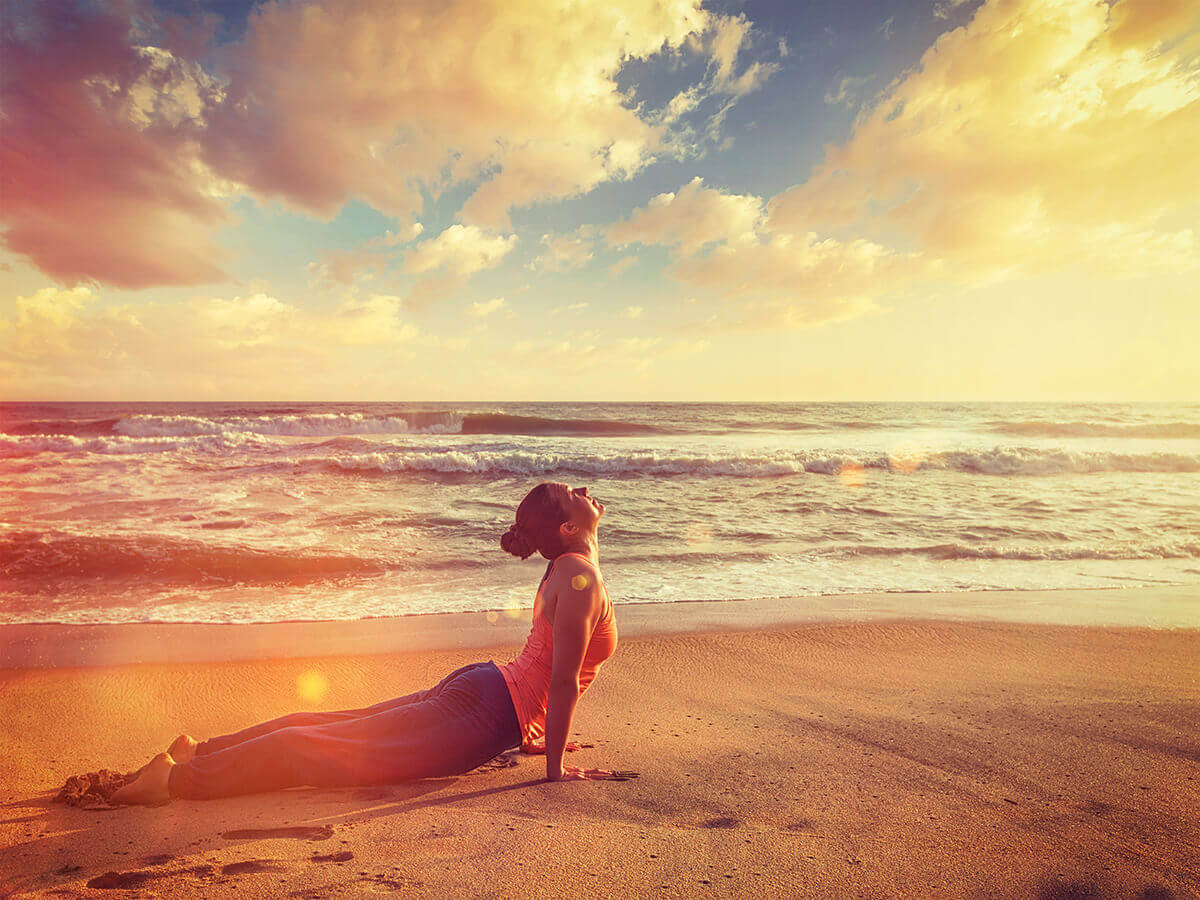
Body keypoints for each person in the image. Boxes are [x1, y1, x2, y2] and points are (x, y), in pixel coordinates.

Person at [111, 482, 633, 805]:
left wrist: (536, 732)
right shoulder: (580, 579)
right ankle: (178, 781)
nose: (586, 490)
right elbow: (561, 680)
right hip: (486, 709)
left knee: (332, 725)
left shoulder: (569, 572)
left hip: (489, 694)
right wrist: (556, 769)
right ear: (567, 526)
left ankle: (199, 750)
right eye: (574, 493)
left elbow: (547, 668)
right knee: (329, 749)